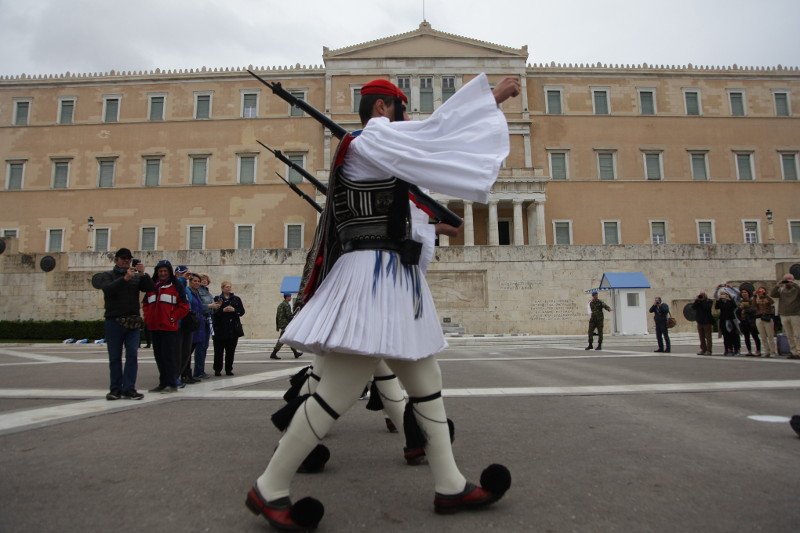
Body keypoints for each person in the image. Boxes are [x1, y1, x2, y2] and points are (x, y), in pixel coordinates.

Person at [245, 75, 519, 530]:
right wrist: (492, 98)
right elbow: (435, 135)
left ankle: (449, 483)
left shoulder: (374, 151)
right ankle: (270, 487)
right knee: (338, 389)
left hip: (390, 277)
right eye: (401, 111)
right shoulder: (370, 141)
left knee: (426, 380)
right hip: (374, 277)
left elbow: (413, 193)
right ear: (381, 111)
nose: (407, 120)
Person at [94, 248, 154, 400]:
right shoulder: (108, 275)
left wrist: (143, 274)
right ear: (116, 259)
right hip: (114, 321)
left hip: (132, 321)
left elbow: (149, 288)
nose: (126, 260)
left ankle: (129, 388)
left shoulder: (135, 276)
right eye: (123, 258)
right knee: (115, 357)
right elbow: (108, 290)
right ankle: (115, 389)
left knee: (132, 355)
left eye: (128, 258)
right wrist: (124, 279)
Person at [142, 260, 189, 393]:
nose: (162, 273)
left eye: (165, 271)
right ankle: (163, 383)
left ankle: (172, 383)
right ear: (157, 272)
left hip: (169, 327)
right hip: (155, 326)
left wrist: (173, 317)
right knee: (159, 356)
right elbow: (145, 303)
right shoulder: (152, 287)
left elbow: (184, 306)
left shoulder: (176, 286)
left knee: (169, 356)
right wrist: (148, 317)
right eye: (160, 271)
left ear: (169, 272)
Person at [212, 281, 246, 376]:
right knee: (218, 351)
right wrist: (223, 310)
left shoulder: (236, 299)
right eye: (226, 287)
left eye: (229, 287)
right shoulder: (217, 298)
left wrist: (234, 310)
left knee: (230, 351)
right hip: (220, 329)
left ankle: (228, 369)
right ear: (222, 288)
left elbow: (242, 311)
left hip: (232, 329)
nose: (228, 288)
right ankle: (217, 369)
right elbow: (214, 313)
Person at [770, 274, 800, 358]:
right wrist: (777, 286)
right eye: (785, 280)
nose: (787, 282)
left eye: (789, 280)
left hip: (795, 314)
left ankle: (799, 351)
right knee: (789, 335)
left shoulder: (796, 289)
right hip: (784, 314)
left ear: (793, 280)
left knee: (797, 334)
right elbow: (772, 294)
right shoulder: (781, 290)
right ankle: (793, 352)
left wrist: (793, 284)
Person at [187, 273, 211, 377]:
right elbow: (196, 306)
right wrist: (210, 306)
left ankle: (198, 371)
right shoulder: (190, 291)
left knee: (203, 346)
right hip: (195, 322)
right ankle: (190, 373)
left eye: (199, 281)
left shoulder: (202, 292)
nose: (201, 282)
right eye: (195, 281)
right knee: (193, 348)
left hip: (203, 321)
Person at [194, 274, 215, 378]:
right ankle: (198, 371)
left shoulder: (207, 292)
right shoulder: (198, 291)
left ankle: (200, 370)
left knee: (204, 346)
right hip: (201, 320)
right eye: (201, 279)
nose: (203, 281)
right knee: (200, 347)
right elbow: (198, 305)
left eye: (206, 279)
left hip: (208, 320)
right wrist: (210, 306)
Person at [270, 293, 303, 359]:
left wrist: (278, 325)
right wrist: (297, 311)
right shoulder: (286, 305)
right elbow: (289, 317)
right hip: (285, 325)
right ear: (287, 297)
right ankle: (273, 354)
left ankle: (295, 353)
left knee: (289, 339)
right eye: (290, 297)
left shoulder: (280, 305)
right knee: (281, 340)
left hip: (282, 324)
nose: (290, 298)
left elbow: (277, 317)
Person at [714, 291, 740, 356]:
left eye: (724, 294)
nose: (722, 295)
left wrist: (730, 299)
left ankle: (736, 349)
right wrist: (718, 299)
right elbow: (716, 307)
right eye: (721, 294)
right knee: (726, 336)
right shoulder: (720, 302)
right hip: (723, 320)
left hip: (731, 320)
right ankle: (728, 349)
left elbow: (735, 306)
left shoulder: (730, 301)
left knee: (734, 335)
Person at [736, 288, 761, 356]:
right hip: (744, 322)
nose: (744, 293)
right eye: (742, 292)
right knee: (746, 337)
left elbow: (754, 310)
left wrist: (746, 308)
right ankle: (749, 351)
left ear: (748, 293)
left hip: (751, 321)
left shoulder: (752, 301)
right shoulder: (740, 302)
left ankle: (758, 350)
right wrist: (740, 317)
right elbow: (737, 312)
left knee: (755, 336)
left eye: (745, 292)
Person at [753, 287, 777, 357]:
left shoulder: (767, 298)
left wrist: (765, 295)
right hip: (759, 318)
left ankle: (773, 351)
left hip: (767, 318)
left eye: (762, 291)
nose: (760, 293)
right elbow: (753, 305)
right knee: (763, 336)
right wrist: (755, 296)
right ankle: (766, 351)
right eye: (759, 291)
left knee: (770, 336)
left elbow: (772, 302)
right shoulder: (756, 298)